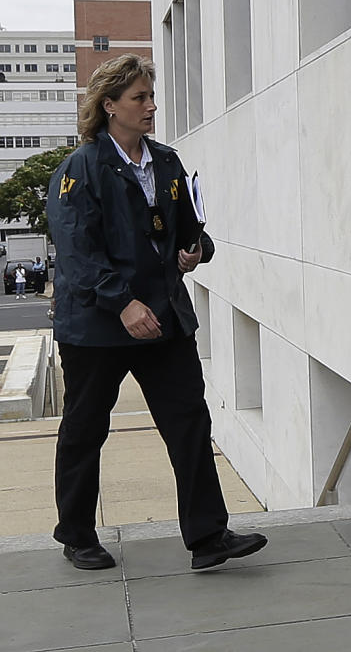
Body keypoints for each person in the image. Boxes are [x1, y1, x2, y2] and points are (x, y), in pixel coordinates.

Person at [45, 54, 266, 571]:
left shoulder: (166, 162)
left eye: (150, 96)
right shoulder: (80, 169)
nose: (150, 106)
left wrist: (196, 251)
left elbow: (192, 229)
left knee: (189, 420)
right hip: (98, 327)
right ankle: (76, 533)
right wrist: (122, 303)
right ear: (110, 106)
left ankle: (209, 537)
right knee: (85, 427)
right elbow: (77, 252)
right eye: (138, 98)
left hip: (164, 318)